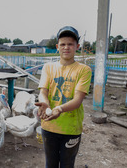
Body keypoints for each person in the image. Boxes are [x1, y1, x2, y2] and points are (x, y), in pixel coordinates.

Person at [35, 26, 92, 168]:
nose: (66, 47)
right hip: (48, 126)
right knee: (50, 164)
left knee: (67, 164)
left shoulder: (83, 70)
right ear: (57, 47)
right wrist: (45, 103)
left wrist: (59, 109)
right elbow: (43, 92)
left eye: (70, 44)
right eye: (63, 44)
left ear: (77, 46)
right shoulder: (48, 67)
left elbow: (77, 100)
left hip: (71, 128)